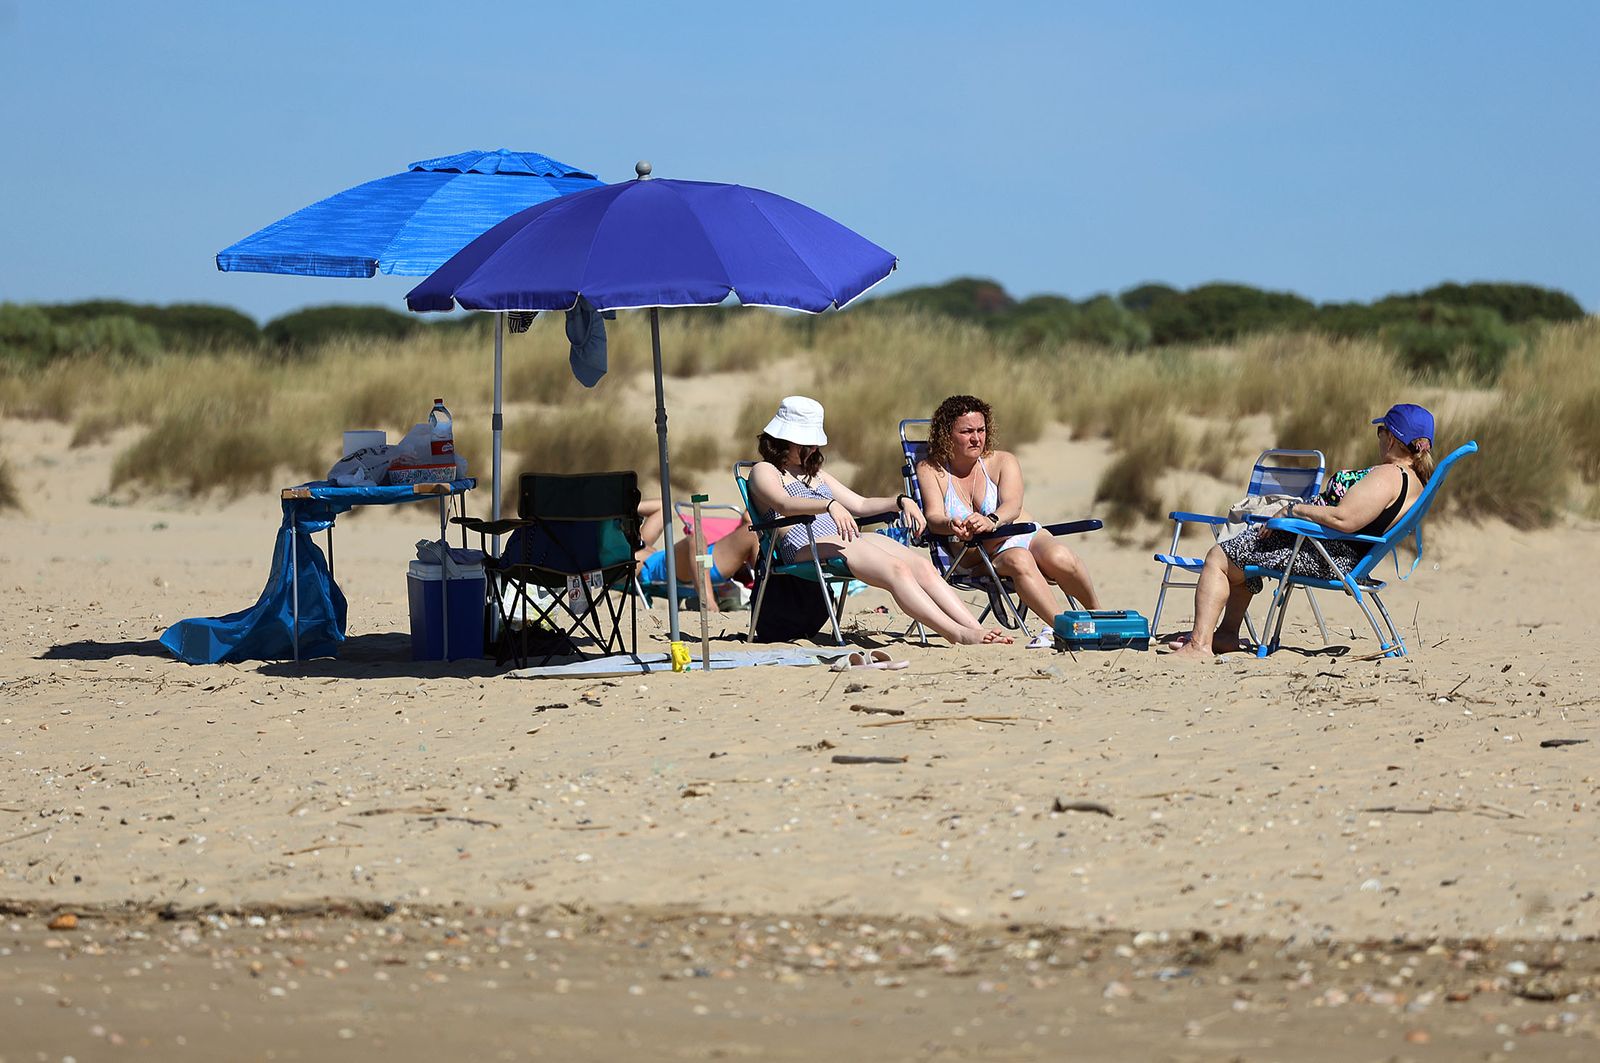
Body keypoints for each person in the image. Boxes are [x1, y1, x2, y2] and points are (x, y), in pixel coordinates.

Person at [1172, 403, 1436, 658]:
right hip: (1342, 554)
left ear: (1391, 438)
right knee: (1245, 549)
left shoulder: (1389, 475)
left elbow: (1345, 519)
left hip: (1327, 555)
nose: (1378, 439)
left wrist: (1294, 511)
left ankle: (1199, 645)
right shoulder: (1415, 483)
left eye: (1381, 432)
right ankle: (1227, 635)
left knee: (1218, 557)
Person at [747, 396, 1013, 646]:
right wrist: (828, 504)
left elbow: (861, 504)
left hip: (842, 539)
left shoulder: (815, 475)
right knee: (896, 570)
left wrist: (900, 501)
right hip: (803, 545)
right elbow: (783, 504)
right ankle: (957, 634)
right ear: (784, 440)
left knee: (921, 566)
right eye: (806, 442)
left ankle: (973, 627)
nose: (814, 447)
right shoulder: (765, 471)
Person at [915, 394, 1100, 646]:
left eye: (981, 430)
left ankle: (1100, 617)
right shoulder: (931, 469)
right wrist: (951, 525)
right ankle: (1065, 628)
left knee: (1060, 557)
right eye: (966, 431)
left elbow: (1013, 505)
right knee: (1018, 559)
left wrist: (991, 519)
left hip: (1020, 532)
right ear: (946, 434)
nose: (976, 438)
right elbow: (934, 515)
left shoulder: (1001, 461)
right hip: (978, 555)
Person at [633, 499, 760, 612]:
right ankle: (708, 600)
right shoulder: (628, 555)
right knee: (697, 539)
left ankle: (767, 593)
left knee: (752, 530)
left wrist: (622, 506)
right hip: (667, 568)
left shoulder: (640, 541)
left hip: (705, 559)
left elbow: (663, 506)